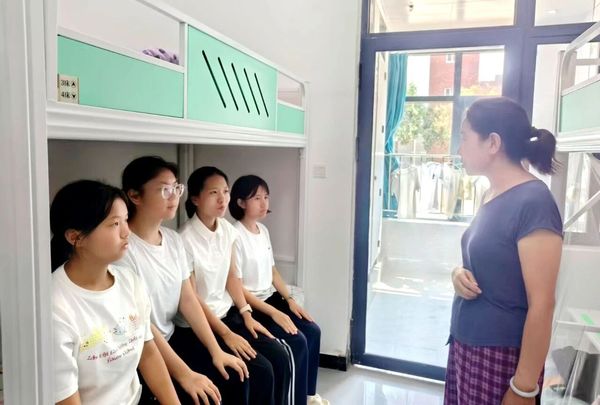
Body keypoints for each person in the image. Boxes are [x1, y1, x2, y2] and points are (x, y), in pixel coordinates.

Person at [117, 156, 273, 405]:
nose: (174, 197)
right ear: (135, 196)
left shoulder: (172, 240)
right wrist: (185, 374)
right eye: (165, 190)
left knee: (241, 373)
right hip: (146, 347)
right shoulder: (125, 252)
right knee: (210, 390)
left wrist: (217, 350)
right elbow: (143, 326)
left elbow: (188, 299)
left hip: (172, 336)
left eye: (176, 188)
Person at [445, 97, 563, 405]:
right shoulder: (491, 193)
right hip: (466, 343)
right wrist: (458, 274)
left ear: (493, 143)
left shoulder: (534, 202)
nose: (459, 148)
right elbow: (489, 262)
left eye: (464, 137)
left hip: (499, 355)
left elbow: (542, 305)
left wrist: (524, 387)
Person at [50, 180, 179, 405]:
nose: (126, 232)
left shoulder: (130, 281)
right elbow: (67, 397)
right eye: (115, 224)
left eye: (126, 220)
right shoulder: (55, 305)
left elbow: (148, 352)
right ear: (75, 237)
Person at [179, 167, 291, 405]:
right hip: (202, 323)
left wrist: (246, 313)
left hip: (229, 315)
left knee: (279, 356)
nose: (222, 199)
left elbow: (232, 278)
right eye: (213, 193)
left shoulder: (227, 231)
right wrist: (226, 334)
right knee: (259, 370)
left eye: (225, 191)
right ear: (195, 199)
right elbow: (193, 299)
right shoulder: (184, 239)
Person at [229, 174, 329, 405]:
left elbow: (273, 271)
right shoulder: (234, 235)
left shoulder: (262, 230)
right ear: (241, 202)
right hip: (253, 305)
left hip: (272, 298)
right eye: (256, 198)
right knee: (297, 340)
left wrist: (290, 299)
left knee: (313, 330)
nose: (264, 203)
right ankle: (295, 401)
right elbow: (238, 288)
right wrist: (274, 313)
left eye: (266, 197)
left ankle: (308, 395)